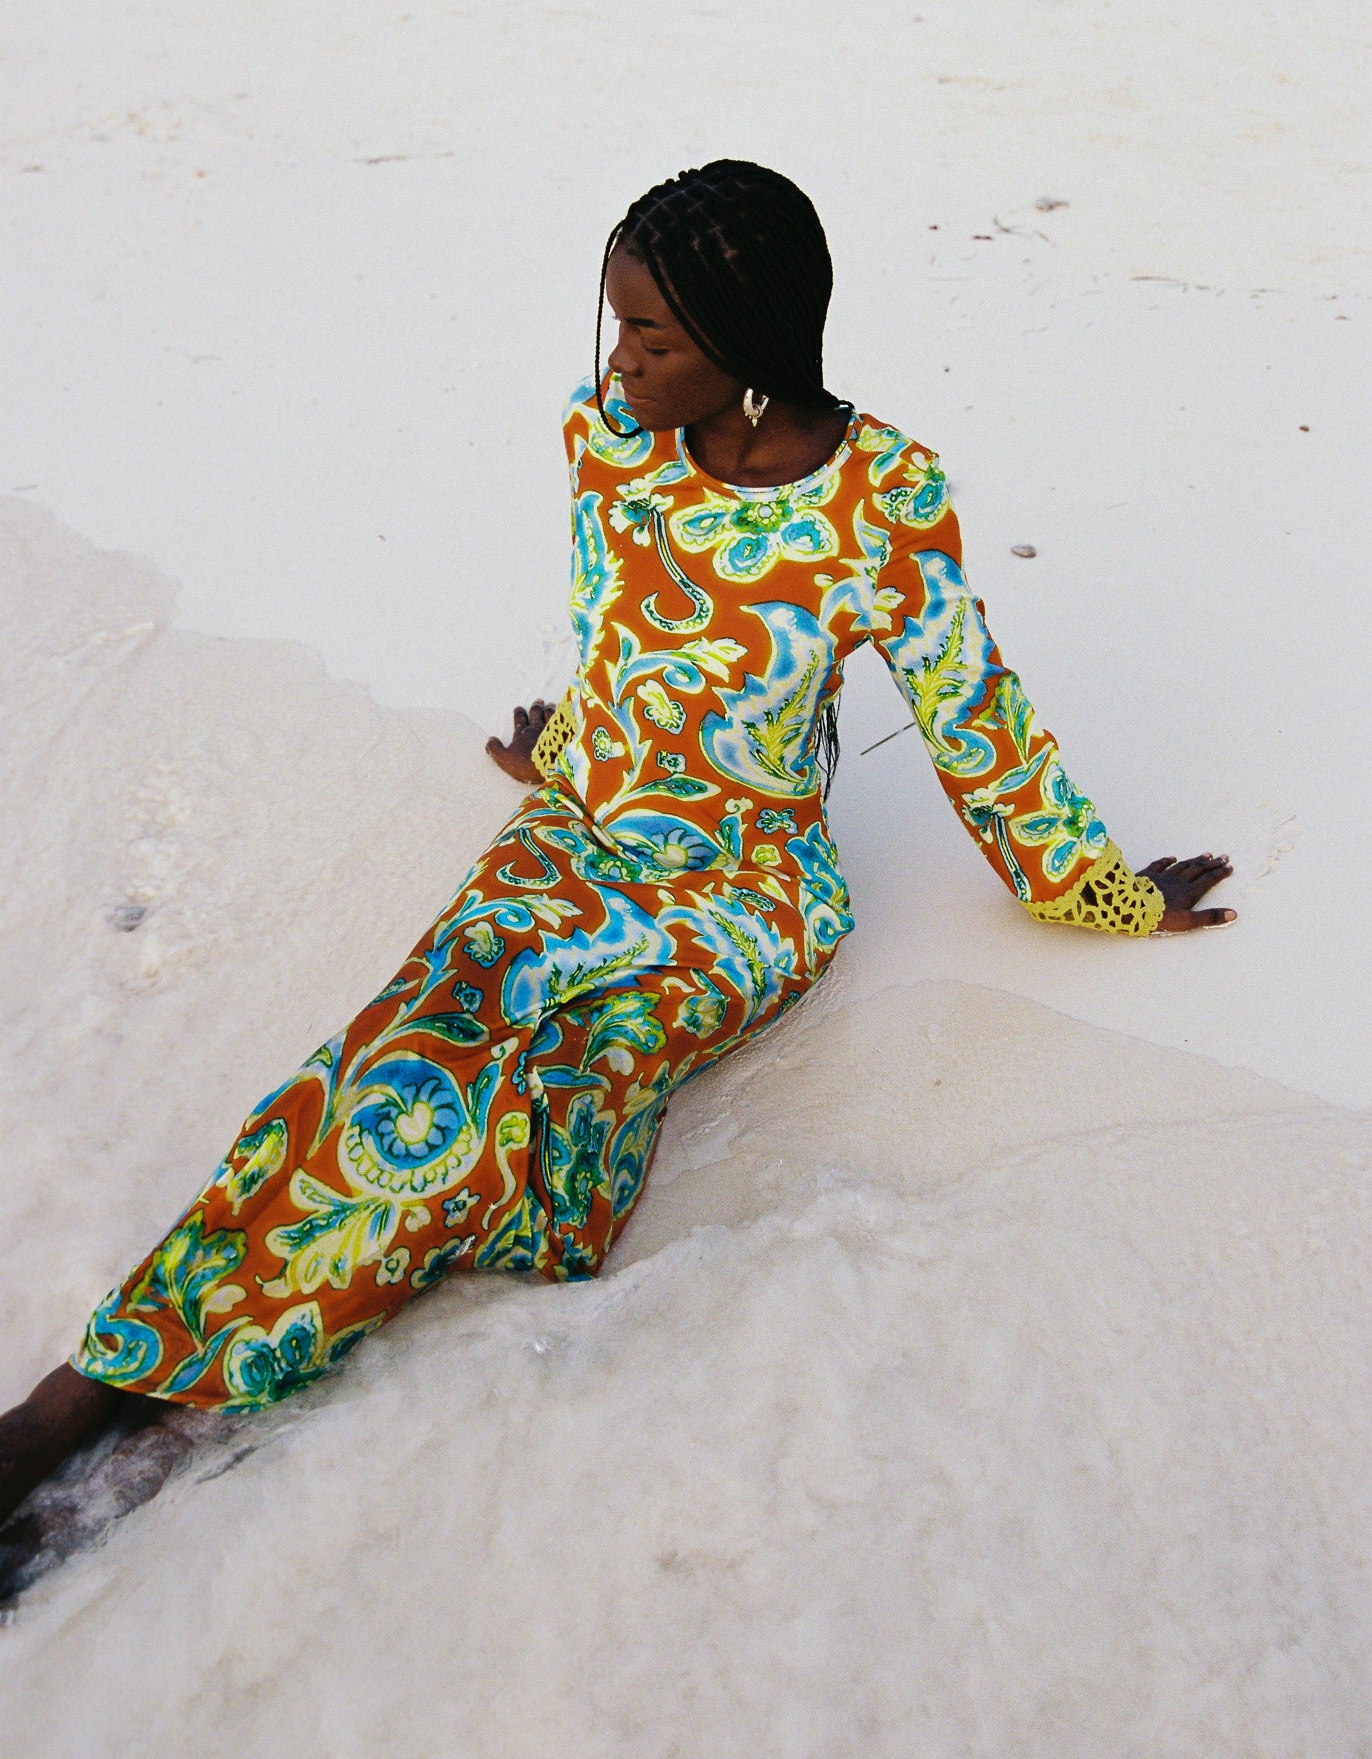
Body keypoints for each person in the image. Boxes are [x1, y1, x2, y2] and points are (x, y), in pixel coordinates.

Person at [0, 160, 1233, 1578]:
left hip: (742, 894)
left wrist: (1106, 892)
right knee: (396, 1060)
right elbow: (623, 621)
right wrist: (577, 739)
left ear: (755, 344)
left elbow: (976, 718)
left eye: (654, 342)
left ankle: (168, 1429)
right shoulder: (609, 437)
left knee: (545, 1087)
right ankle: (71, 1402)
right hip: (578, 833)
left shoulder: (883, 499)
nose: (619, 367)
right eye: (616, 330)